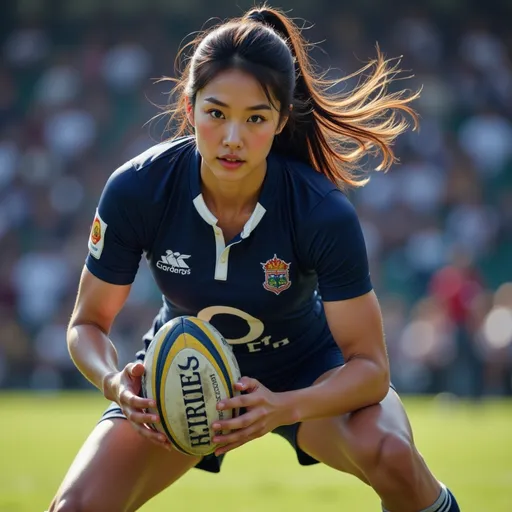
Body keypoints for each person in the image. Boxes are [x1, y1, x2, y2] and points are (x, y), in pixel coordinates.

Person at [49, 5, 461, 512]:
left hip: (309, 375)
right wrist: (116, 383)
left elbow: (371, 369)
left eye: (256, 118)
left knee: (394, 455)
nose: (232, 138)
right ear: (190, 103)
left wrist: (281, 406)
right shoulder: (138, 188)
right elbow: (86, 324)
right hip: (183, 375)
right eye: (216, 113)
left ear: (281, 119)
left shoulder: (321, 211)